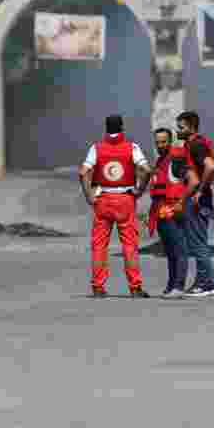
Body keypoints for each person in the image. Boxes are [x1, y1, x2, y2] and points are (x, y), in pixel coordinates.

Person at [79, 114, 152, 298]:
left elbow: (83, 172)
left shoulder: (96, 148)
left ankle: (98, 286)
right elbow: (146, 169)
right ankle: (135, 287)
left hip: (103, 199)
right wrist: (140, 190)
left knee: (99, 245)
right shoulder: (131, 147)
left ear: (106, 128)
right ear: (122, 128)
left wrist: (89, 195)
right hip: (125, 199)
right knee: (129, 245)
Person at [175, 110, 214, 297]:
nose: (178, 131)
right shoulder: (197, 144)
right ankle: (205, 282)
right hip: (201, 198)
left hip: (197, 200)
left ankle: (206, 284)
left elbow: (210, 167)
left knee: (198, 244)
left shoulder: (196, 145)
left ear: (191, 127)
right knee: (199, 242)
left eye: (181, 127)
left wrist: (199, 191)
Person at [147, 128, 189, 299]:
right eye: (157, 142)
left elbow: (190, 180)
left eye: (163, 142)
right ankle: (171, 284)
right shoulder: (160, 162)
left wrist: (181, 203)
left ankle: (179, 286)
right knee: (170, 252)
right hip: (161, 212)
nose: (160, 145)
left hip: (173, 211)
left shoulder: (176, 160)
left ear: (170, 141)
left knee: (179, 250)